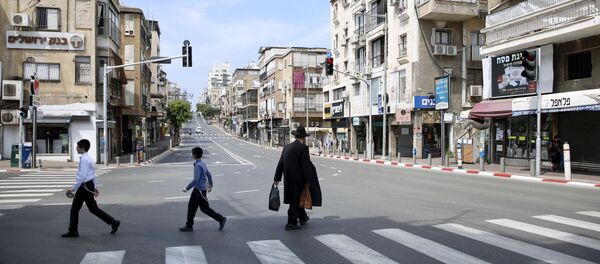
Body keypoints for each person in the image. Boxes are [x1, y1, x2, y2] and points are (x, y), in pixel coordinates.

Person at [62, 139, 120, 238]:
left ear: (82, 148)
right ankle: (113, 222)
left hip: (84, 186)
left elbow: (82, 176)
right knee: (92, 209)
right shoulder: (88, 158)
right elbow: (92, 174)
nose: (76, 148)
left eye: (78, 146)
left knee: (76, 209)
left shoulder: (84, 160)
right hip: (88, 185)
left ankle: (73, 231)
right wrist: (95, 187)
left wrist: (73, 188)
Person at [274, 126, 322, 231]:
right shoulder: (303, 148)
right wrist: (308, 181)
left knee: (296, 199)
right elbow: (305, 166)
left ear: (295, 136)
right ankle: (291, 223)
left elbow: (280, 163)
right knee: (295, 201)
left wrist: (277, 178)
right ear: (303, 137)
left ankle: (303, 218)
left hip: (288, 179)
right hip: (298, 180)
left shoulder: (286, 147)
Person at [179, 147, 227, 232]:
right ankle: (189, 225)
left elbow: (196, 179)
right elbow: (209, 174)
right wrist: (210, 185)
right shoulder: (202, 164)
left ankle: (221, 219)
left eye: (192, 153)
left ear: (194, 155)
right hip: (197, 189)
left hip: (200, 190)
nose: (192, 155)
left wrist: (187, 188)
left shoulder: (198, 165)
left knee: (205, 209)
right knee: (191, 207)